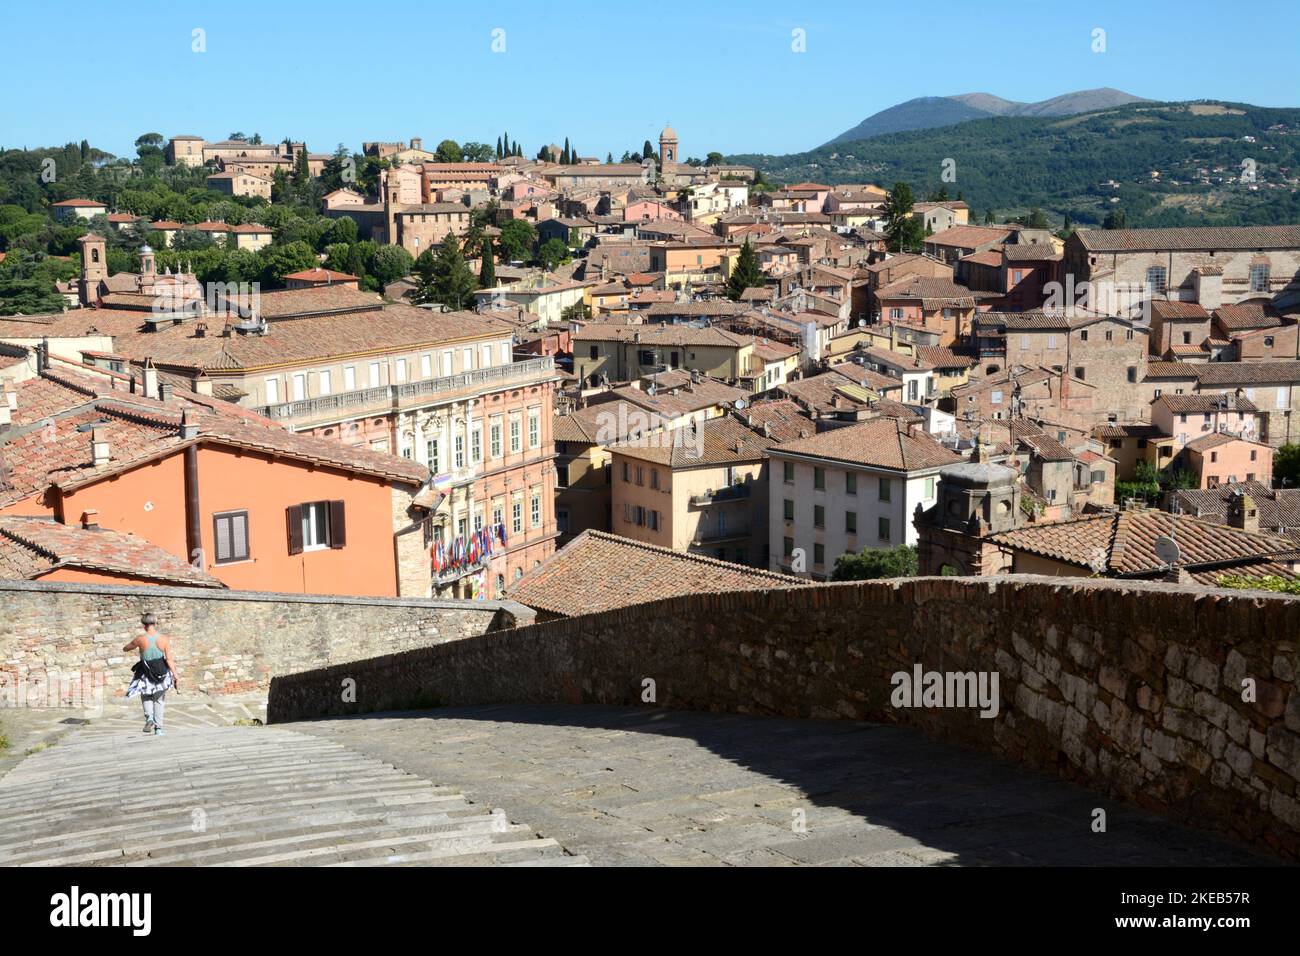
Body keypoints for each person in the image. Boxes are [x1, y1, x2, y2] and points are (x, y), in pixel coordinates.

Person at [123, 612, 179, 736]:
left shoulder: (140, 639)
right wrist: (175, 675)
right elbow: (169, 659)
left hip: (145, 671)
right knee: (159, 700)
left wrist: (131, 646)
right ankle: (158, 729)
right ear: (155, 622)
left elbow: (126, 648)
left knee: (145, 696)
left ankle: (149, 717)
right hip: (161, 672)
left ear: (144, 625)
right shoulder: (164, 639)